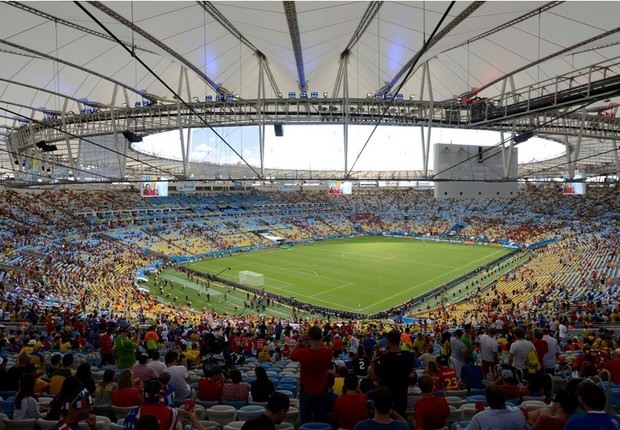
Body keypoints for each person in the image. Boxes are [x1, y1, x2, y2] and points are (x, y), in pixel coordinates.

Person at [289, 325, 333, 423]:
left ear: (309, 337)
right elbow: (328, 350)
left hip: (306, 391)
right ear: (321, 337)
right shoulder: (327, 352)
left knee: (305, 421)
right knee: (320, 421)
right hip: (321, 391)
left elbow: (291, 356)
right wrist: (320, 341)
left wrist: (300, 341)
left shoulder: (303, 352)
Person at [368, 329, 414, 418]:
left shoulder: (384, 359)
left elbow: (373, 375)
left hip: (386, 400)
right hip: (402, 398)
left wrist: (373, 362)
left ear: (388, 341)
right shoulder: (408, 356)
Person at [456, 384, 528, 430]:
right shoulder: (518, 412)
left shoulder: (479, 417)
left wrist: (458, 427)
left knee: (455, 425)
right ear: (504, 398)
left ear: (487, 401)